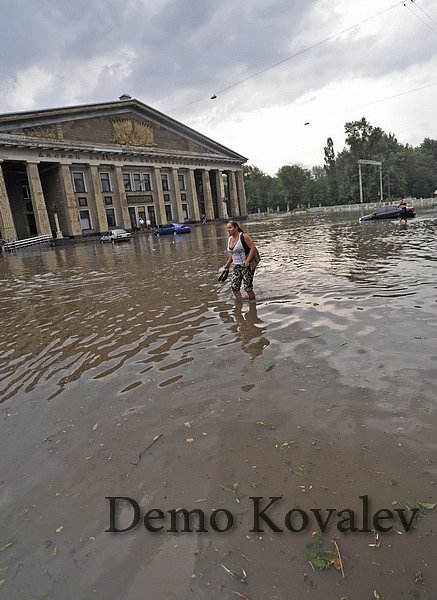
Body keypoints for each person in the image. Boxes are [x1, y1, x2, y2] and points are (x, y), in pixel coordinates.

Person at [223, 221, 258, 301]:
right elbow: (232, 253)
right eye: (227, 228)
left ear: (236, 228)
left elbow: (253, 248)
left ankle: (253, 304)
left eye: (230, 227)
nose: (228, 230)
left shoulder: (243, 236)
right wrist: (227, 265)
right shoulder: (230, 239)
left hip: (246, 266)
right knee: (234, 287)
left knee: (247, 287)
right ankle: (239, 303)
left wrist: (248, 261)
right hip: (236, 265)